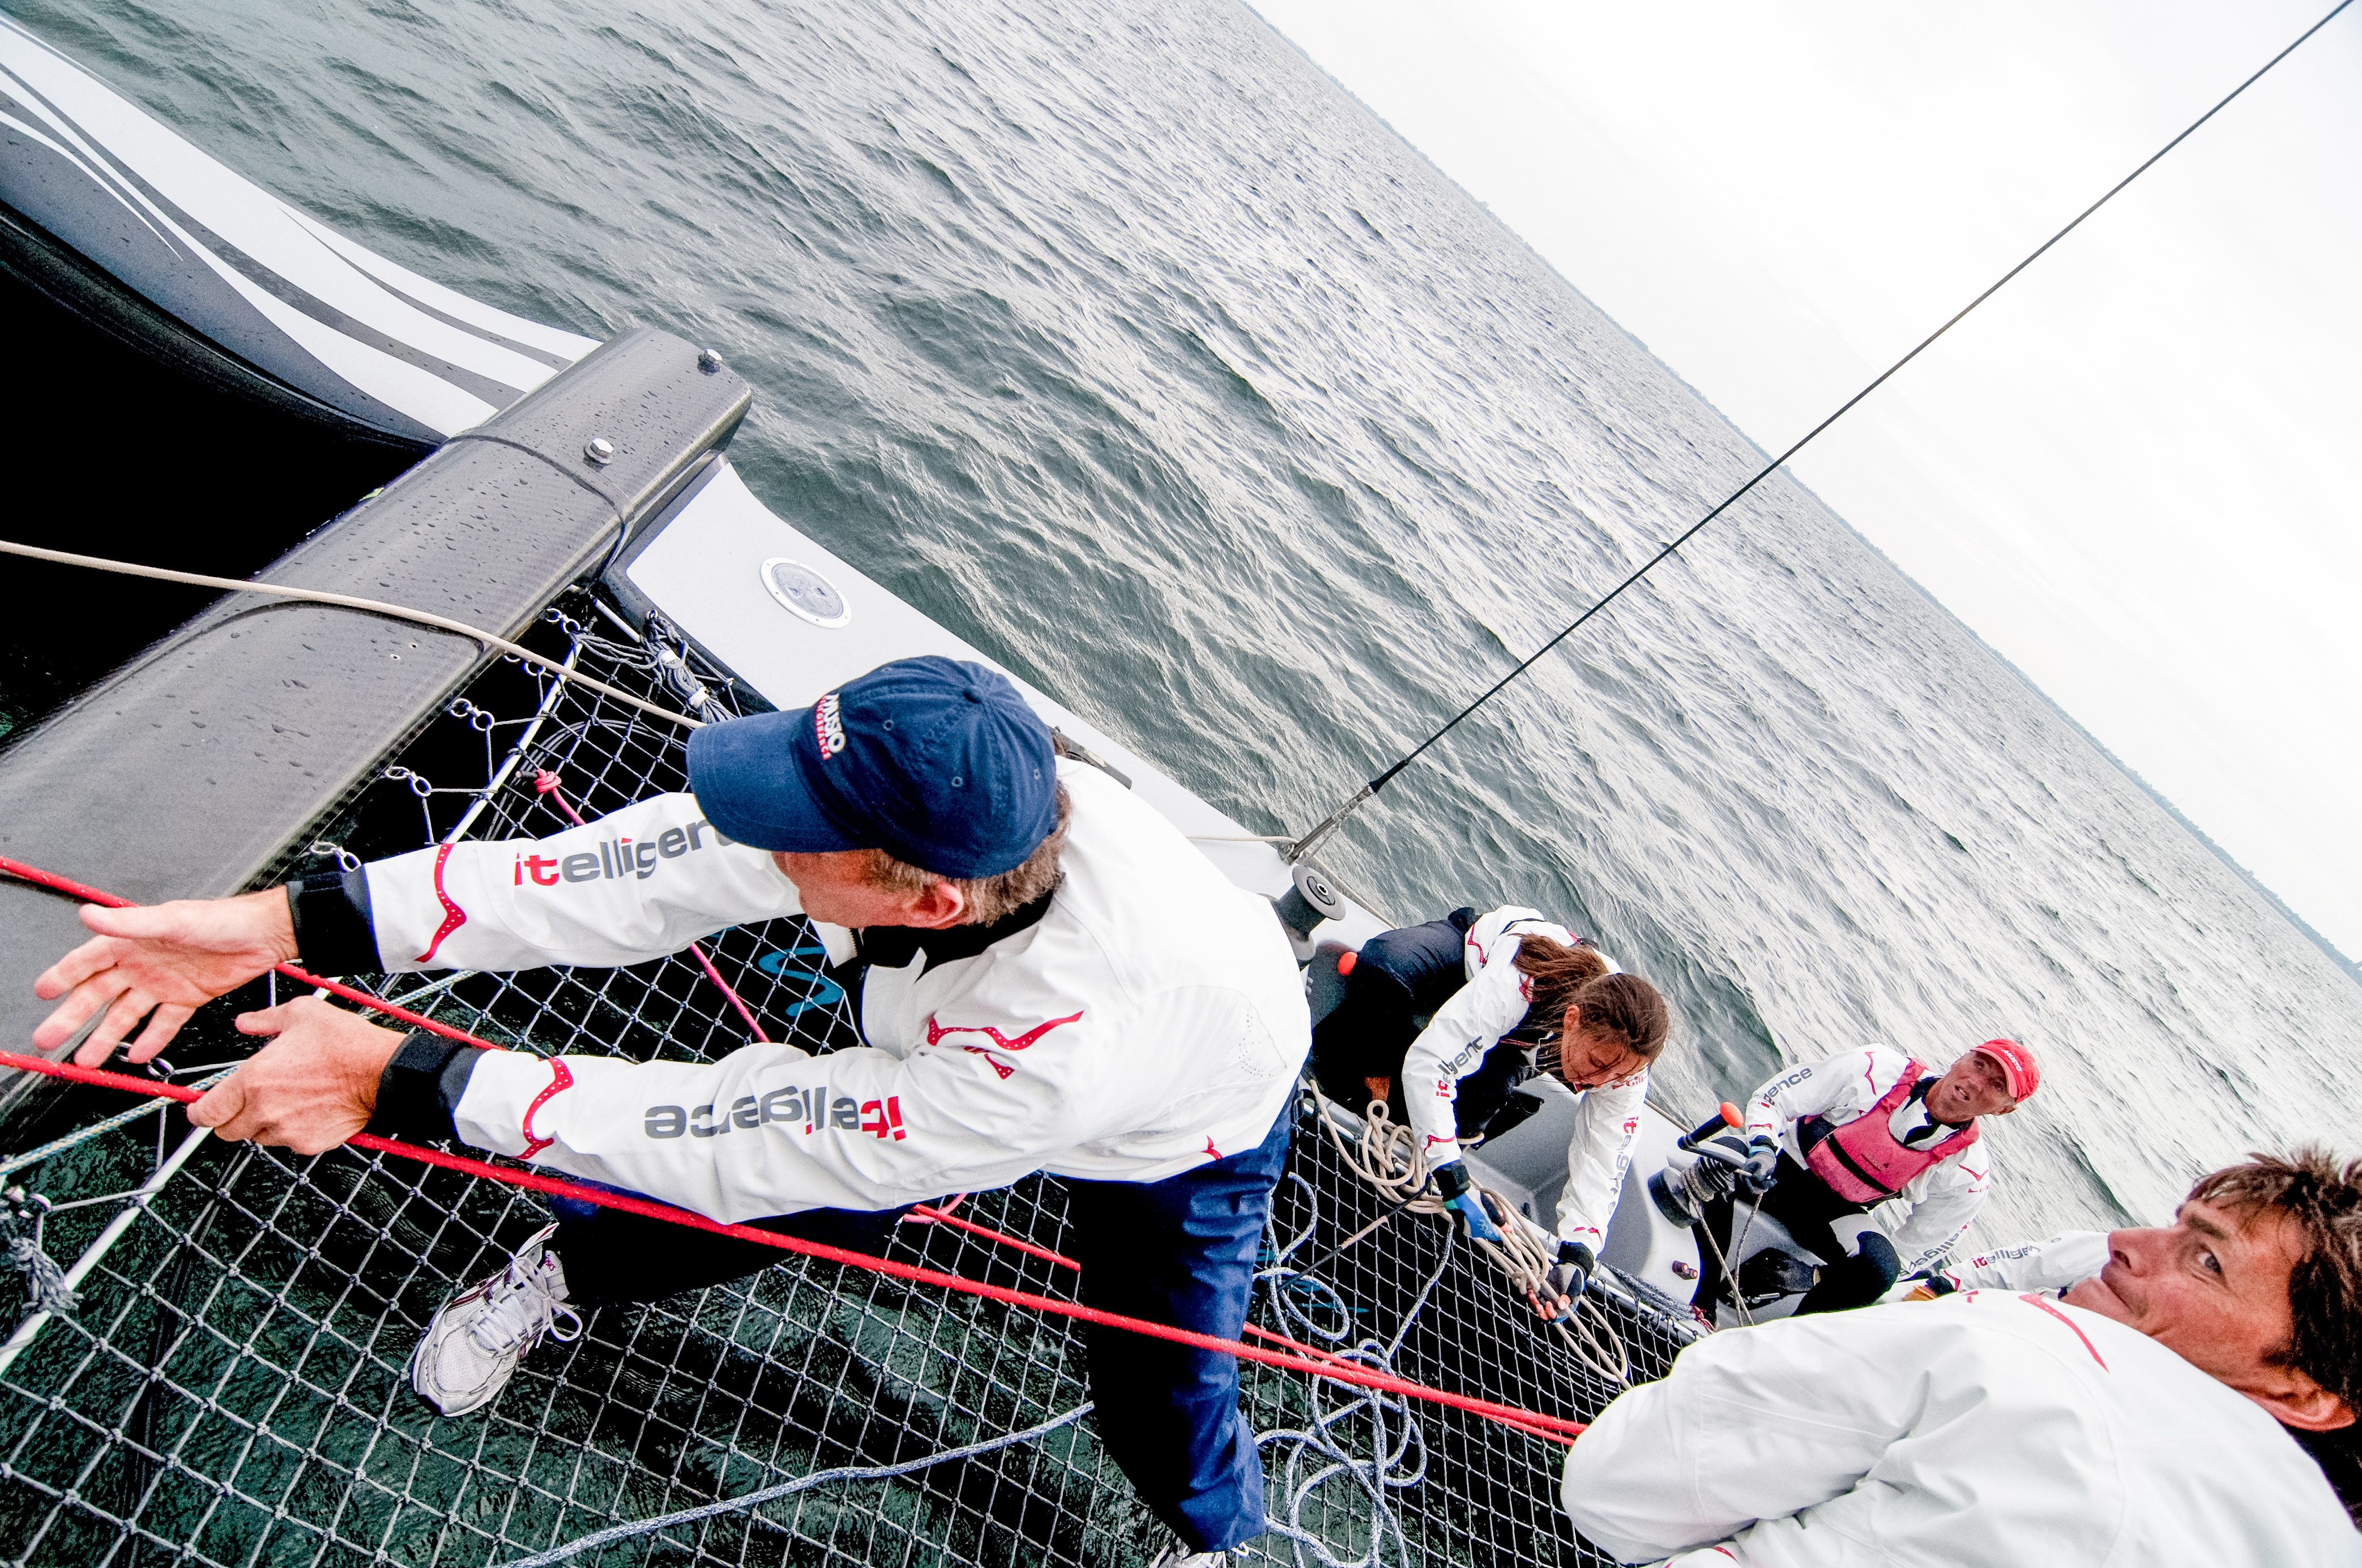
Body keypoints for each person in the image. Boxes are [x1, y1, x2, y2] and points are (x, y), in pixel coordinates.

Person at [29, 655, 1306, 1568]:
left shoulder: (1061, 1044)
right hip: (958, 1030)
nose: (754, 834)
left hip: (1183, 1122)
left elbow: (748, 1125)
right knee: (805, 1210)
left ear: (921, 901)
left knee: (1157, 1375)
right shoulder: (945, 805)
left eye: (795, 830)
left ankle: (1211, 1535)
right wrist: (288, 922)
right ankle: (569, 1270)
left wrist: (395, 1077)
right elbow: (603, 879)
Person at [1561, 1148, 2362, 1562]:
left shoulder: (2013, 1352)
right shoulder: (2320, 1545)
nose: (2124, 1242)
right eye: (2176, 1225)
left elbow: (1613, 1487)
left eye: (2205, 1260)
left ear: (2307, 1393)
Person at [1309, 905, 1671, 1319]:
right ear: (1574, 1020)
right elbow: (1433, 1063)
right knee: (1384, 967)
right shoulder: (1523, 977)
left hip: (1532, 1039)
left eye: (1614, 1074)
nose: (1595, 1081)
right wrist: (1452, 1175)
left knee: (1483, 1098)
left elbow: (1604, 1158)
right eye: (1595, 1063)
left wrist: (1579, 1253)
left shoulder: (1623, 1064)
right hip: (1470, 962)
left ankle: (1426, 1140)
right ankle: (1374, 1081)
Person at [1685, 1039, 2034, 1316]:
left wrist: (1816, 1277)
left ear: (2005, 1109)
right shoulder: (1876, 1067)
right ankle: (1702, 1303)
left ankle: (1776, 1349)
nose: (1976, 1082)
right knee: (1724, 1157)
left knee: (1879, 1271)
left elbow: (1917, 1248)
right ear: (1962, 1058)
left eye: (1997, 1084)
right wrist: (1761, 1146)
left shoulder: (1968, 1173)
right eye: (1979, 1065)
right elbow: (1774, 1100)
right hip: (1776, 1167)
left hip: (1831, 1214)